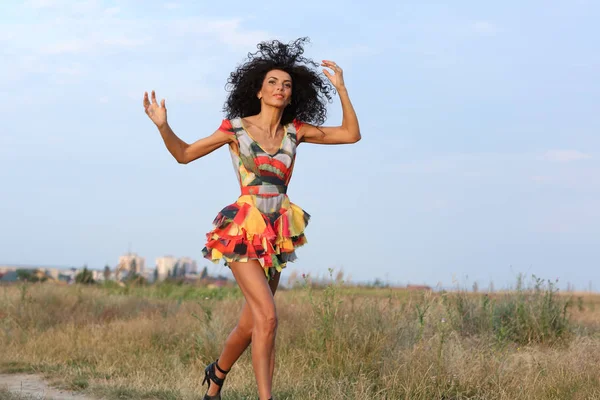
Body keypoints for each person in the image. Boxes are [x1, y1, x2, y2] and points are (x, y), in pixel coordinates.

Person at [143, 37, 360, 400]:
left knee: (252, 322)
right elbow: (183, 154)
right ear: (258, 90)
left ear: (292, 95)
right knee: (269, 318)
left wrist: (341, 89)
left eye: (286, 85)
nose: (280, 88)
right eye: (273, 82)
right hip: (244, 229)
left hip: (278, 232)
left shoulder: (296, 131)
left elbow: (351, 134)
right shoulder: (236, 129)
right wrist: (163, 126)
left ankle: (216, 375)